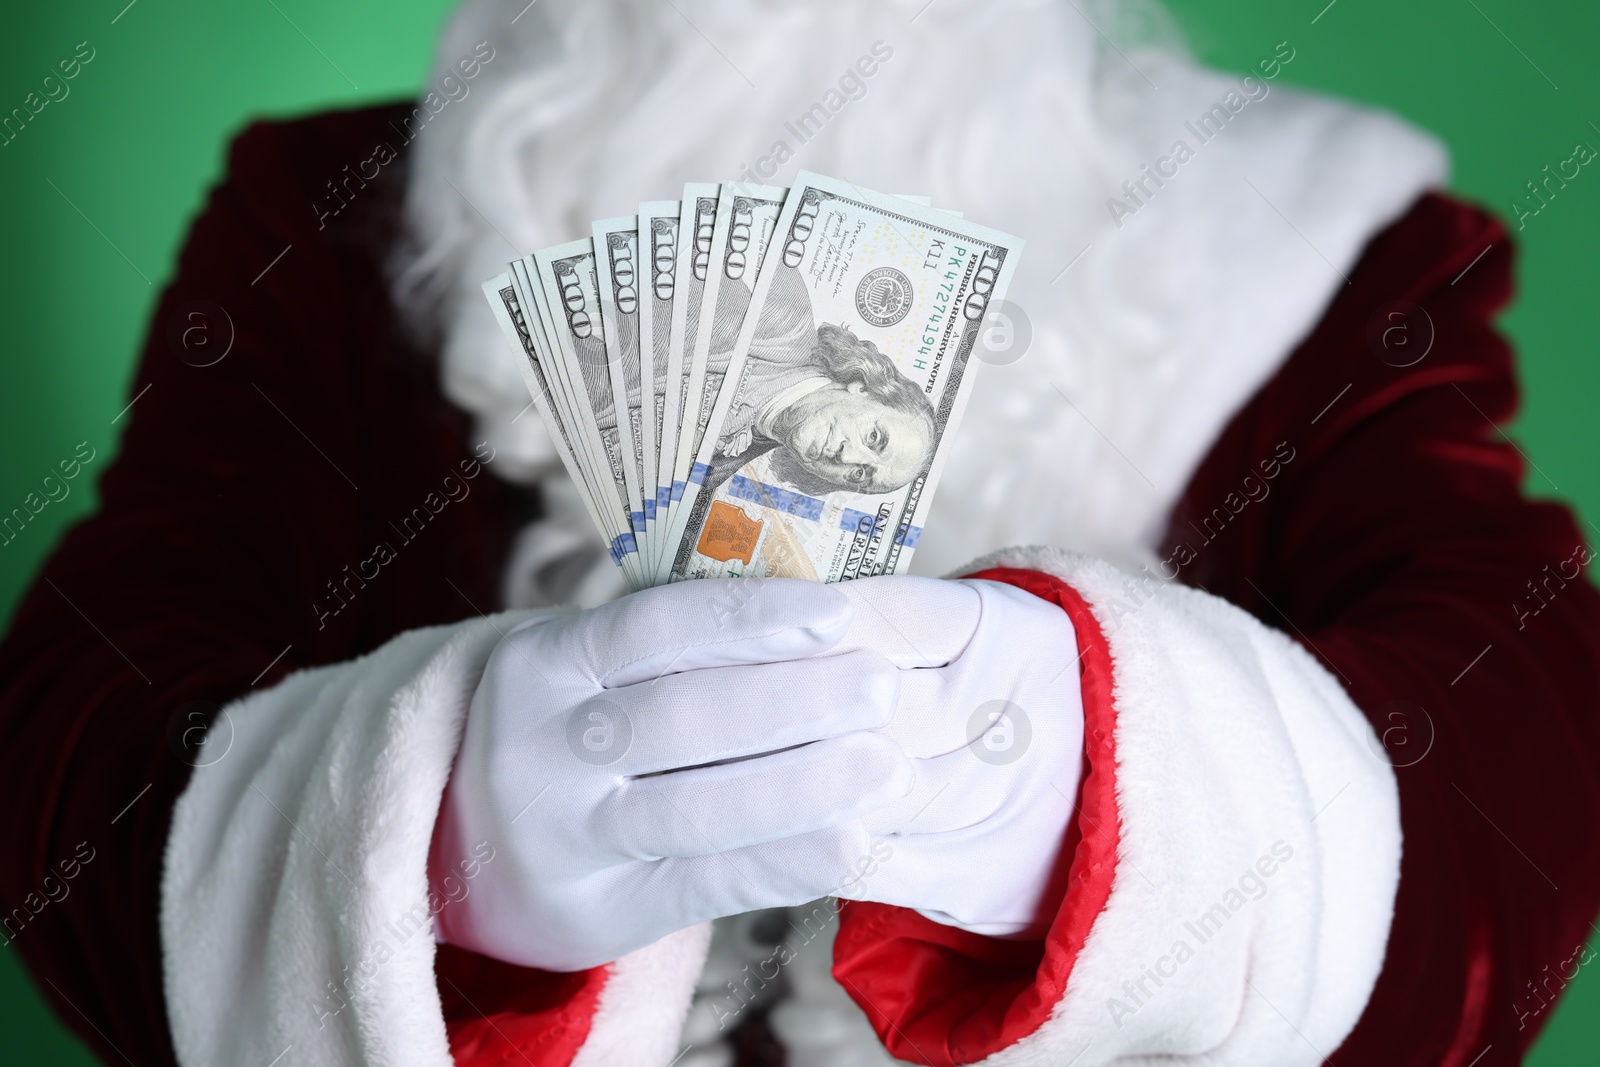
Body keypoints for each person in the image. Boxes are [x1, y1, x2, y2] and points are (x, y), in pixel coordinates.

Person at [2, 2, 1597, 1067]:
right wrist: (419, 834)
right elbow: (72, 732)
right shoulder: (322, 202)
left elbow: (1534, 736)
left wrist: (1103, 767)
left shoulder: (1320, 237)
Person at [703, 263, 936, 498]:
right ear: (864, 388)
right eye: (873, 437)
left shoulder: (715, 470)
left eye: (860, 474)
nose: (847, 457)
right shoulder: (780, 313)